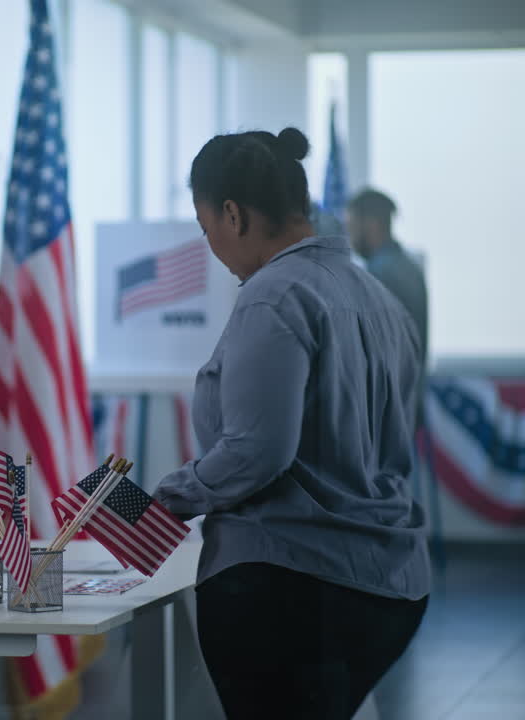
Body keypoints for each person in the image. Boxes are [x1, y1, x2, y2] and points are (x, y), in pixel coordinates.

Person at [153, 128, 430, 719]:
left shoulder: (271, 296)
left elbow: (257, 452)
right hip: (388, 582)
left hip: (291, 585)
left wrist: (166, 497)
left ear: (233, 213)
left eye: (207, 231)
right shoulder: (380, 298)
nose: (213, 249)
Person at [346, 189, 428, 372]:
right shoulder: (408, 267)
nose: (349, 239)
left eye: (351, 227)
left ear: (372, 225)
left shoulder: (380, 274)